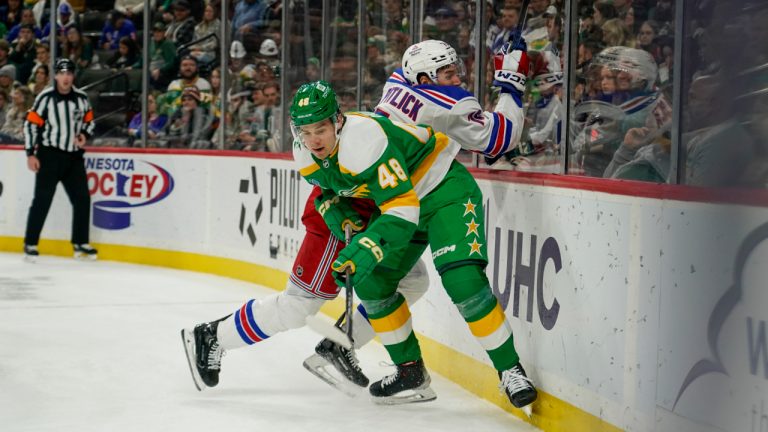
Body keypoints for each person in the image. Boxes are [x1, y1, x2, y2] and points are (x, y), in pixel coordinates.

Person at [288, 80, 537, 407]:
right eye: (304, 131)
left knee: (463, 282)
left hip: (443, 191)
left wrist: (367, 246)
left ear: (337, 120)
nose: (312, 139)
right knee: (373, 283)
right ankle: (409, 373)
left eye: (319, 128)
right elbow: (327, 191)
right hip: (402, 205)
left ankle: (511, 370)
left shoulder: (363, 140)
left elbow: (402, 207)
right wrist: (339, 213)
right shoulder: (303, 150)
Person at [22, 58, 97, 262]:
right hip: (49, 156)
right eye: (62, 73)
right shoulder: (45, 98)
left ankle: (80, 242)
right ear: (55, 75)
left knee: (82, 198)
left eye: (69, 73)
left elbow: (90, 122)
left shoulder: (81, 98)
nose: (65, 77)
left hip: (73, 157)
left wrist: (84, 135)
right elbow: (31, 125)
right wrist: (30, 153)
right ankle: (30, 243)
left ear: (73, 76)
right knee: (42, 200)